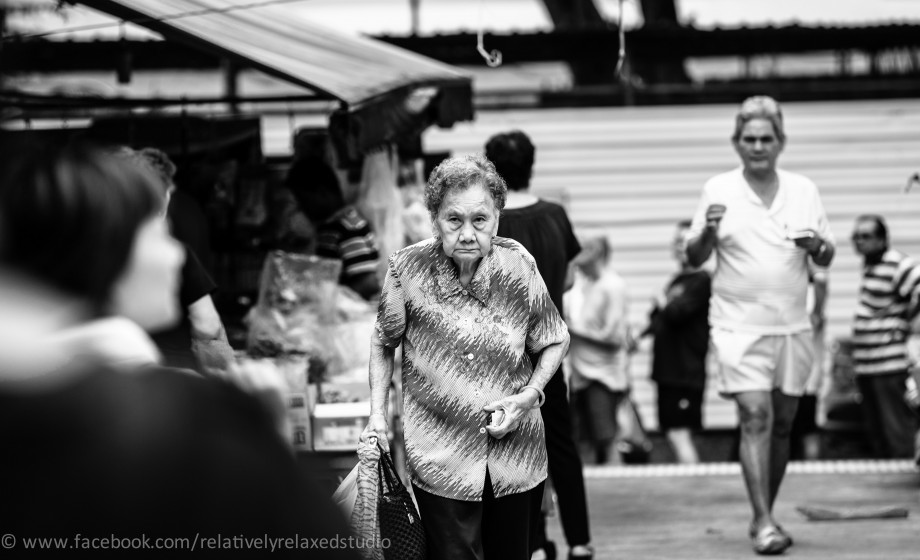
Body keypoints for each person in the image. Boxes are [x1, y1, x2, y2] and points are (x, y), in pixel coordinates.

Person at [0, 141, 359, 559]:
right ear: (107, 249)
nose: (175, 254)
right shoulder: (187, 428)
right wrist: (268, 435)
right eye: (159, 232)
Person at [360, 154, 570, 560]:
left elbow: (555, 339)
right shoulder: (407, 270)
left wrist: (530, 395)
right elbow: (383, 342)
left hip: (516, 457)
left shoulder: (519, 266)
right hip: (441, 458)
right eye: (454, 220)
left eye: (481, 220)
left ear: (497, 218)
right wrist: (376, 415)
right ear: (435, 219)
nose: (468, 233)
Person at [686, 95, 835, 555]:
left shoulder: (804, 189)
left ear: (781, 142)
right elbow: (693, 257)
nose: (757, 147)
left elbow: (829, 255)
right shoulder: (718, 189)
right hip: (736, 326)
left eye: (765, 139)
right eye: (748, 139)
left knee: (784, 424)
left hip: (792, 326)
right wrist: (709, 232)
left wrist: (815, 246)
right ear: (736, 142)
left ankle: (763, 514)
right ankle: (765, 521)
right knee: (755, 416)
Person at [486, 130, 594, 560]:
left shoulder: (491, 224)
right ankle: (581, 539)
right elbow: (567, 278)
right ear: (532, 164)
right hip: (552, 350)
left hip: (504, 359)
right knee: (563, 445)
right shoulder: (555, 214)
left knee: (516, 450)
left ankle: (532, 543)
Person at [121, 146, 236, 376]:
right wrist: (221, 365)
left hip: (120, 379)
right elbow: (206, 324)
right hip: (178, 374)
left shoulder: (94, 254)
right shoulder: (174, 252)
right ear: (163, 199)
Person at [849, 214, 920, 458]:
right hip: (869, 365)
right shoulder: (872, 265)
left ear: (883, 239)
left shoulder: (897, 263)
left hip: (889, 365)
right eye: (856, 237)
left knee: (897, 431)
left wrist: (907, 321)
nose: (859, 241)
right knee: (877, 435)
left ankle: (903, 485)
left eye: (866, 236)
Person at [644, 219, 711, 464]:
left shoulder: (702, 281)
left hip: (685, 373)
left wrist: (662, 299)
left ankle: (695, 492)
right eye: (677, 242)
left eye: (685, 242)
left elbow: (675, 313)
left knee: (680, 434)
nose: (679, 247)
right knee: (673, 433)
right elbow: (659, 320)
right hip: (666, 373)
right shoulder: (676, 281)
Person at [285, 134, 381, 300]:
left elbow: (368, 283)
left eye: (304, 200)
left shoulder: (347, 227)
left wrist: (330, 299)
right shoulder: (328, 228)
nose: (303, 208)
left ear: (322, 193)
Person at [564, 236, 631, 466]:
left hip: (602, 378)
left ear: (596, 252)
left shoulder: (612, 286)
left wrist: (570, 329)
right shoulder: (586, 284)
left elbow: (614, 337)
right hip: (581, 376)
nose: (573, 253)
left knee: (607, 439)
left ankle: (619, 495)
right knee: (583, 440)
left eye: (580, 249)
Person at [790, 267, 829, 460]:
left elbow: (821, 279)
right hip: (789, 379)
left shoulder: (811, 296)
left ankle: (812, 468)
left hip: (806, 381)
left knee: (807, 429)